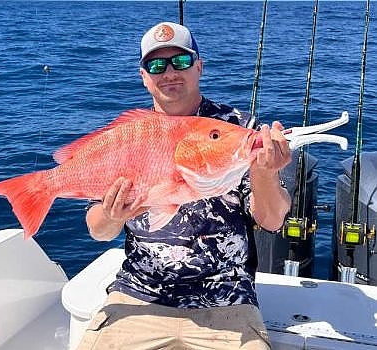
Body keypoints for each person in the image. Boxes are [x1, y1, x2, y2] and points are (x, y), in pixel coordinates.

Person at [81, 21, 291, 350]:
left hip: (228, 300)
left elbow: (272, 219)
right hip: (139, 294)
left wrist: (265, 172)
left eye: (180, 61)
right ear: (144, 76)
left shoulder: (238, 129)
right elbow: (99, 231)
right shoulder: (126, 136)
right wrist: (112, 215)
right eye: (156, 64)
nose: (169, 73)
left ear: (199, 67)